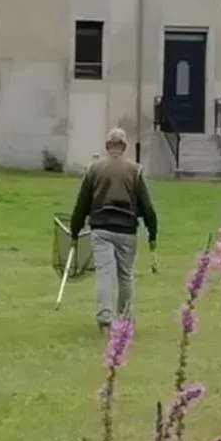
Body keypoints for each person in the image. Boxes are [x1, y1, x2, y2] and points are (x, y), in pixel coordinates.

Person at [69, 128, 158, 331]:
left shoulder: (94, 169)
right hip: (127, 230)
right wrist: (152, 234)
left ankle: (105, 318)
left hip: (101, 229)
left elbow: (82, 203)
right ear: (124, 146)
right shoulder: (135, 171)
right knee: (125, 275)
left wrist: (75, 231)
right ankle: (125, 318)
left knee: (104, 273)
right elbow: (147, 207)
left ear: (108, 146)